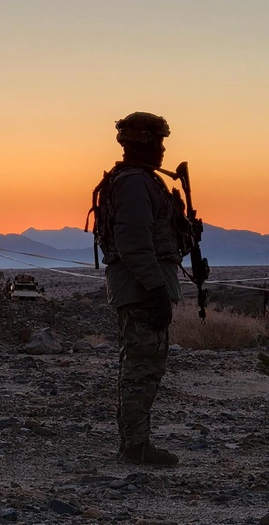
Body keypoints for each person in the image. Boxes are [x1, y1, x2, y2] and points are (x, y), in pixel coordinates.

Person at [94, 111, 190, 467]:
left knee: (144, 366)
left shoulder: (140, 181)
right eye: (159, 141)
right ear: (145, 142)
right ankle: (135, 445)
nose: (163, 150)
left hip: (139, 286)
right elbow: (133, 241)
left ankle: (135, 442)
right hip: (140, 289)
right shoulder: (134, 183)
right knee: (140, 368)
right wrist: (155, 290)